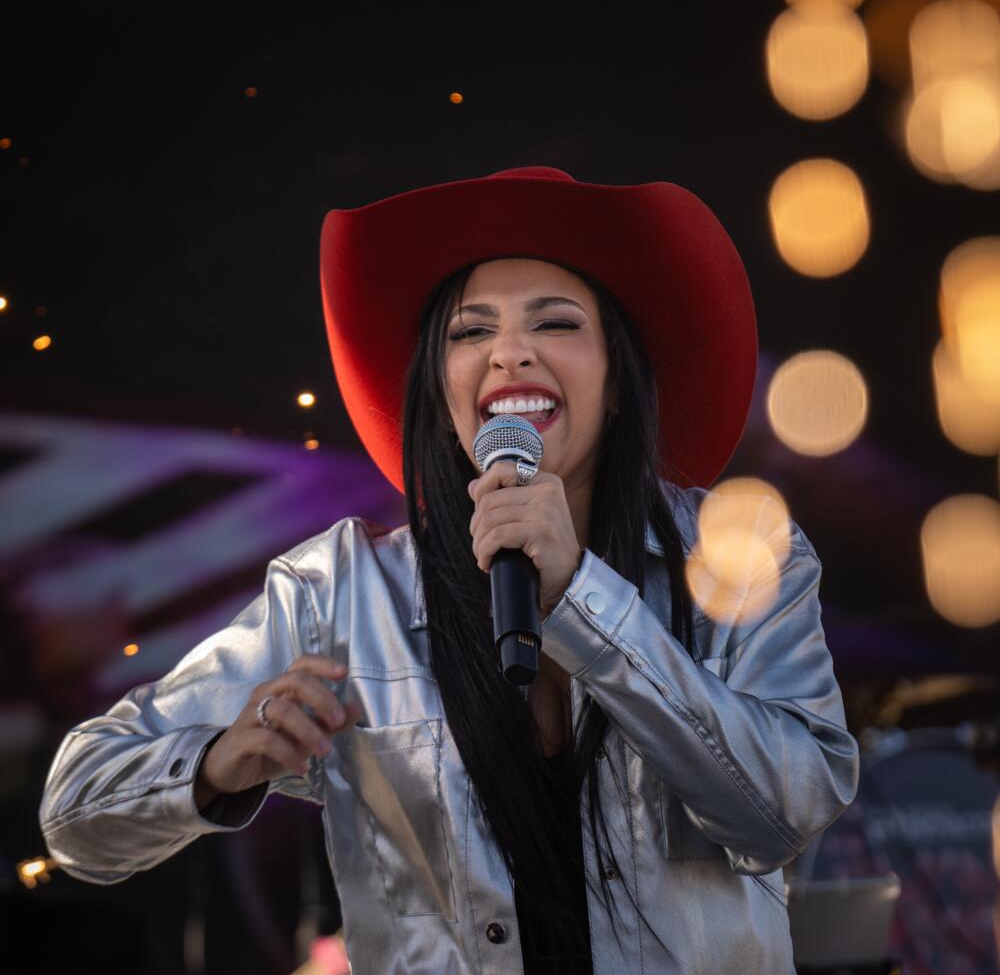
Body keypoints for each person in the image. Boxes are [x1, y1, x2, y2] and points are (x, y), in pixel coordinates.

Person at [40, 166, 860, 973]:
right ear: (440, 387)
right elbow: (73, 812)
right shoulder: (341, 592)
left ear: (617, 384)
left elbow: (789, 815)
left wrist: (582, 600)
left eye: (557, 324)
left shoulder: (741, 560)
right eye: (471, 333)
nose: (509, 354)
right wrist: (221, 761)